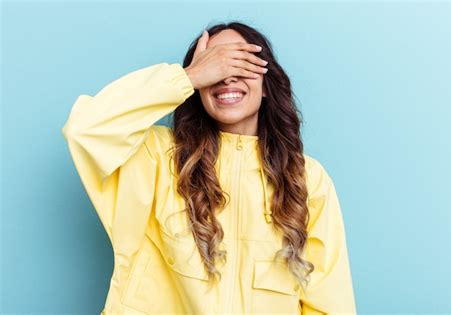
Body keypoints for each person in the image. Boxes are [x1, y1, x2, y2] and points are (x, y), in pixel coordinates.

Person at [61, 21, 357, 315]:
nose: (226, 77)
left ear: (266, 85)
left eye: (240, 63)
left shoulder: (306, 178)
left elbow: (329, 301)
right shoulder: (156, 157)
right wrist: (188, 77)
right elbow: (85, 129)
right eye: (215, 64)